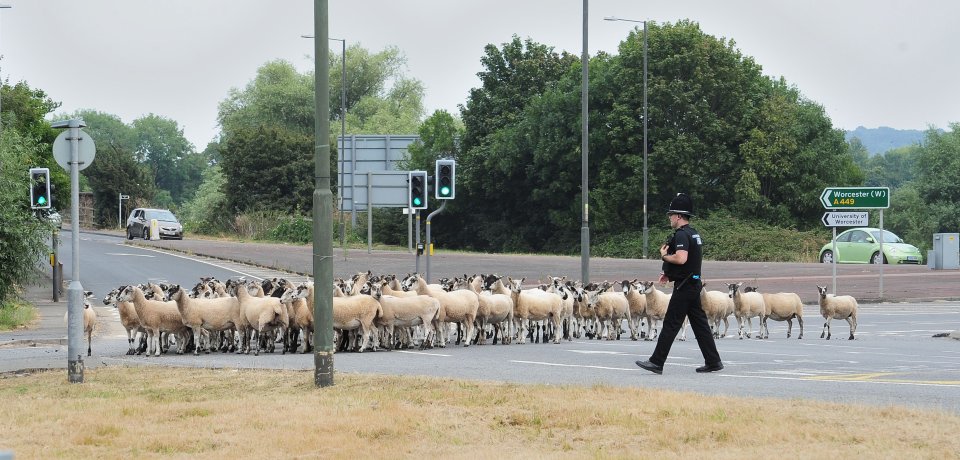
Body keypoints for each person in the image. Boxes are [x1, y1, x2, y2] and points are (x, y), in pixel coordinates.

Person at [636, 193, 723, 374]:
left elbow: (681, 258)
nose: (669, 218)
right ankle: (713, 361)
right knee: (700, 325)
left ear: (678, 216)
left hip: (685, 288)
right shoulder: (694, 233)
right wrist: (668, 274)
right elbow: (690, 262)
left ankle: (657, 362)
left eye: (671, 214)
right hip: (693, 284)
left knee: (671, 323)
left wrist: (664, 256)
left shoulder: (682, 235)